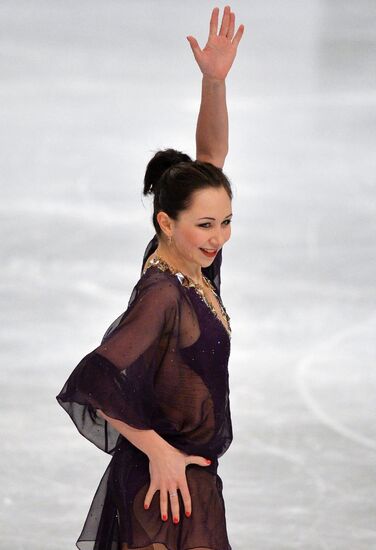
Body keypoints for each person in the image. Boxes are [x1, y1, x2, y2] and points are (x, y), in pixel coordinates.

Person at [56, 5, 244, 550]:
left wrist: (213, 82)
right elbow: (93, 379)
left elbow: (210, 161)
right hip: (163, 488)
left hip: (195, 480)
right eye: (206, 224)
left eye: (227, 222)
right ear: (167, 222)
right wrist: (156, 449)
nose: (218, 236)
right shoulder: (163, 290)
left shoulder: (194, 264)